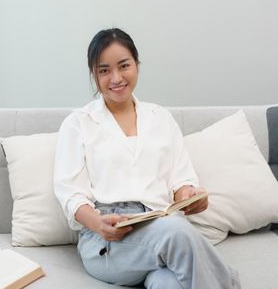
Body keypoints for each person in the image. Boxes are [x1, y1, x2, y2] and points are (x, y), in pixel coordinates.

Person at [53, 28, 240, 289]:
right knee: (177, 233)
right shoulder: (78, 124)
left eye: (124, 66)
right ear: (94, 76)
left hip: (161, 225)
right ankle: (227, 282)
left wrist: (189, 196)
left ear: (137, 66)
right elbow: (70, 194)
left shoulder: (160, 118)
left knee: (167, 283)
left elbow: (181, 180)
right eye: (104, 70)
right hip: (108, 241)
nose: (116, 78)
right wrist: (98, 223)